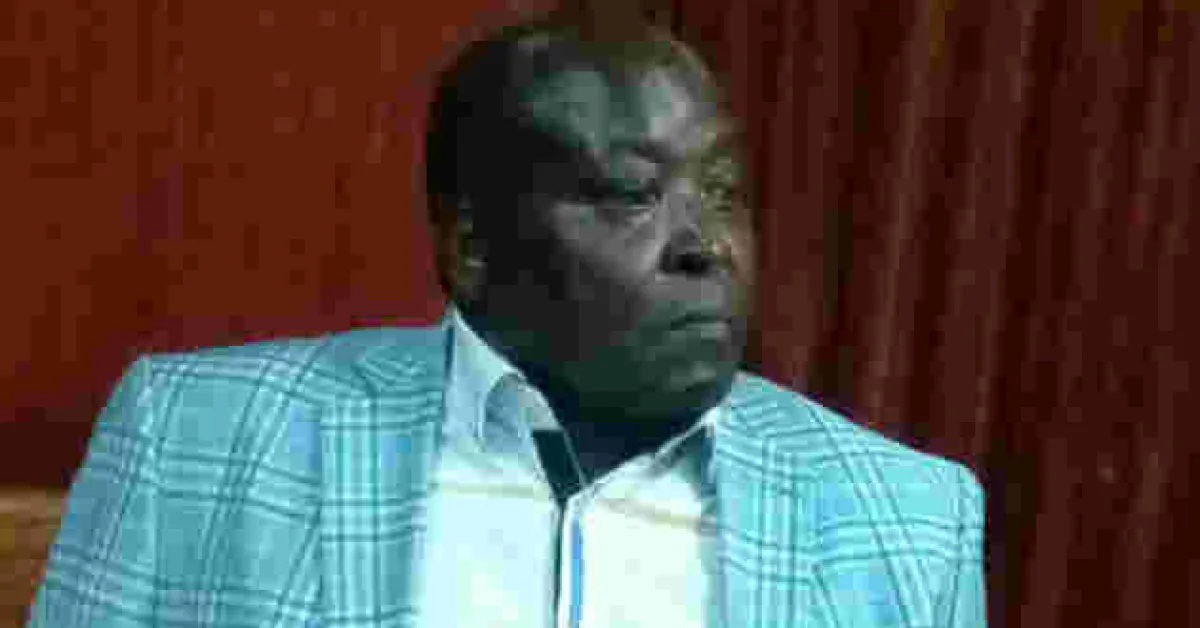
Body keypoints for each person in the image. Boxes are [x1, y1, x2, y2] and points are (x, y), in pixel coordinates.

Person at [27, 10, 985, 628]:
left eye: (725, 192)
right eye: (633, 194)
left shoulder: (904, 519)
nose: (707, 245)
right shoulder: (199, 440)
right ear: (473, 249)